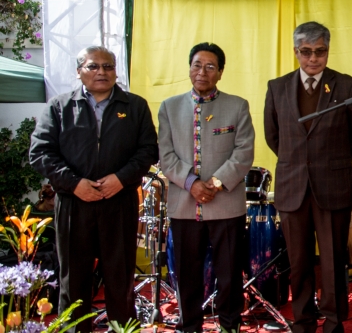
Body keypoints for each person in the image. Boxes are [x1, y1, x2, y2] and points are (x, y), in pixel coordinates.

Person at [29, 46, 158, 333]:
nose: (101, 72)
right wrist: (74, 184)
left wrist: (121, 179)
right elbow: (40, 153)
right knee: (73, 278)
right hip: (74, 203)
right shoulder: (59, 107)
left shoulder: (135, 106)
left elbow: (148, 150)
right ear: (79, 71)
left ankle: (123, 328)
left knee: (120, 277)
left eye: (108, 66)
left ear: (115, 71)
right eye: (93, 66)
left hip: (119, 201)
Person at [264, 21, 352, 333]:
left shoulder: (347, 85)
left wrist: (330, 162)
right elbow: (273, 136)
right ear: (296, 51)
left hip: (332, 185)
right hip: (292, 186)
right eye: (306, 52)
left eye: (320, 52)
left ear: (327, 50)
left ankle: (334, 323)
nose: (313, 59)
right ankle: (303, 321)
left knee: (335, 261)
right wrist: (300, 162)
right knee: (299, 260)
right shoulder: (277, 86)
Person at [158, 42, 254, 332]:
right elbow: (165, 155)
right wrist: (191, 184)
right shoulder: (169, 107)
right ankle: (190, 327)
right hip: (184, 206)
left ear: (220, 73)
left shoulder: (237, 105)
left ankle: (229, 326)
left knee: (228, 275)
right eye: (197, 65)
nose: (202, 72)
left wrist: (212, 183)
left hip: (226, 204)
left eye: (210, 66)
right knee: (187, 274)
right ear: (189, 68)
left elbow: (244, 151)